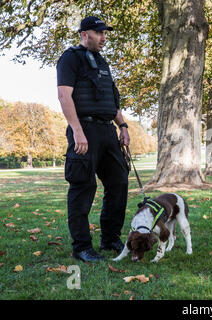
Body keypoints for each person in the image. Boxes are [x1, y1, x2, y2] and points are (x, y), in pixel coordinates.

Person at [57, 16, 130, 262]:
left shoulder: (103, 63)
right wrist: (77, 130)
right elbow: (64, 96)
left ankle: (110, 238)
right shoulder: (70, 58)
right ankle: (82, 248)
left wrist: (123, 126)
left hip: (108, 131)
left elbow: (111, 101)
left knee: (119, 182)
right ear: (84, 34)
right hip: (84, 129)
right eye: (99, 33)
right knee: (82, 187)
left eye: (105, 33)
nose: (104, 37)